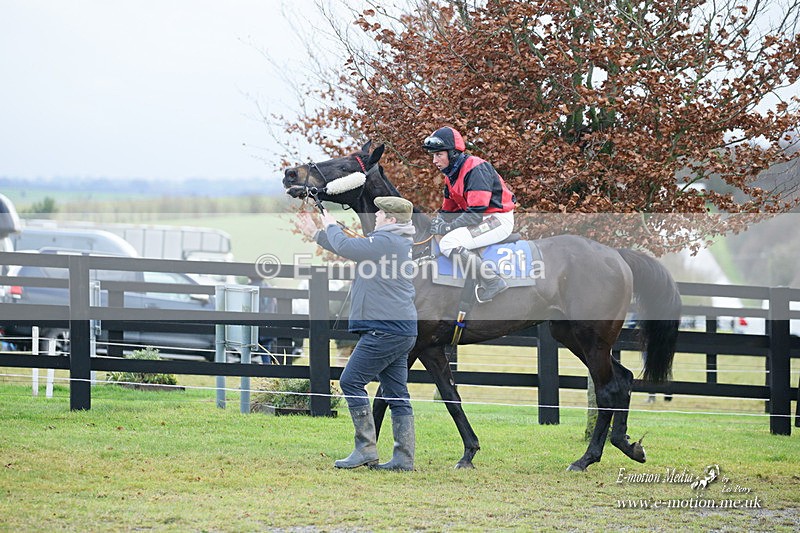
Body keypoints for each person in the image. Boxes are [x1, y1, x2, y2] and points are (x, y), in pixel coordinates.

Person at [294, 196, 418, 471]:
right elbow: (352, 247)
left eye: (381, 213)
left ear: (392, 219)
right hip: (400, 329)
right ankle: (403, 459)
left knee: (350, 381)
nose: (376, 215)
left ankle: (365, 449)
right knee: (397, 394)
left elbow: (347, 245)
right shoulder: (393, 242)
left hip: (384, 329)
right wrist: (317, 233)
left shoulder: (387, 242)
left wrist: (328, 224)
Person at [422, 126, 516, 302]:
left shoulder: (475, 168)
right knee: (438, 236)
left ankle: (493, 281)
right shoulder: (450, 176)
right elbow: (447, 210)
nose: (434, 160)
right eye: (433, 155)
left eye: (438, 155)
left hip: (497, 219)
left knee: (449, 242)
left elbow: (474, 215)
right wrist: (437, 224)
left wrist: (447, 227)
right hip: (481, 217)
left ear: (453, 153)